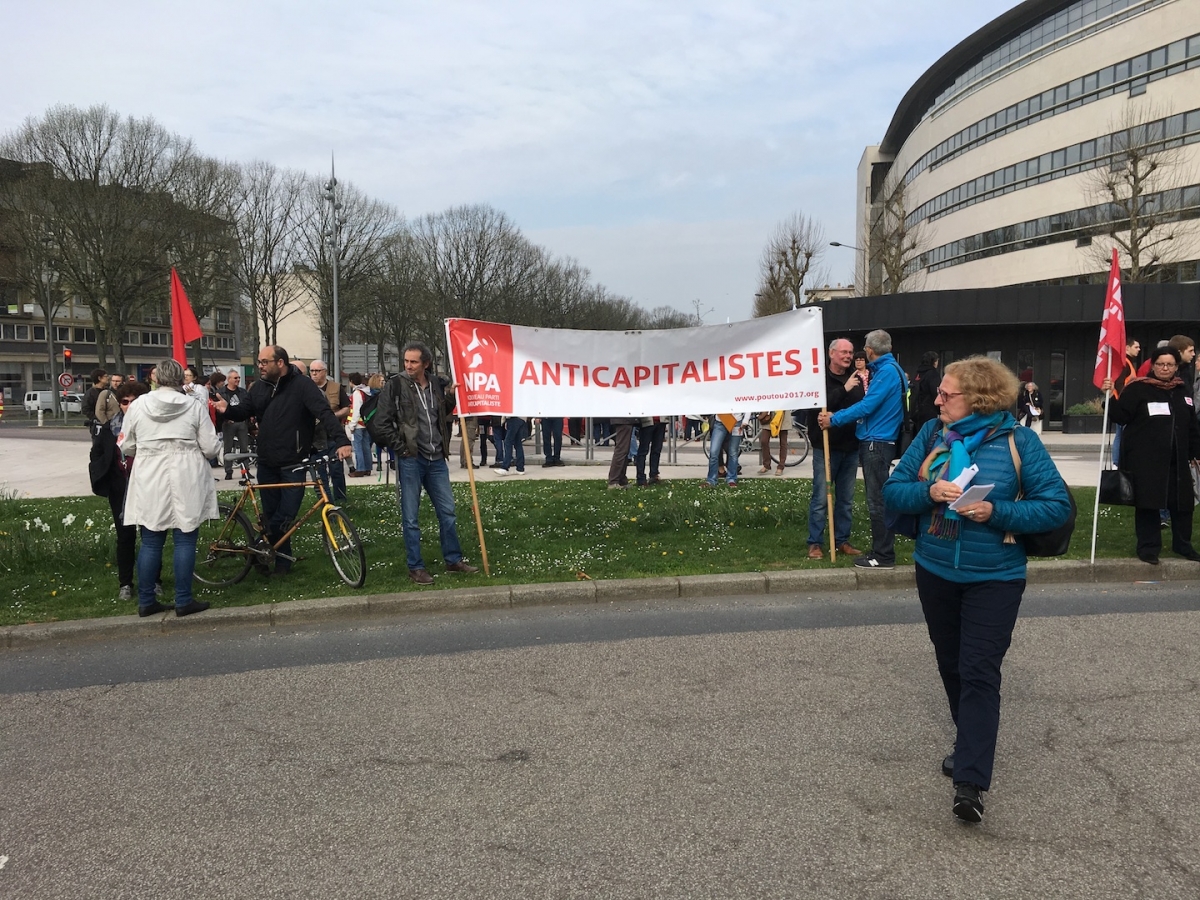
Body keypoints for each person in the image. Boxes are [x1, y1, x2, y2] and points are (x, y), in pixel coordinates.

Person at [883, 356, 1071, 824]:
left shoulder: (1019, 441)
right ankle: (968, 740)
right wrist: (929, 493)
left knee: (979, 671)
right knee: (951, 665)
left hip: (996, 576)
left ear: (980, 399)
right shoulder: (930, 436)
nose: (937, 399)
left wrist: (997, 511)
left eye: (948, 394)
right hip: (935, 569)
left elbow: (1056, 506)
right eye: (939, 393)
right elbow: (893, 490)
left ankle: (969, 781)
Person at [216, 346, 352, 575]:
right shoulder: (258, 387)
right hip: (267, 461)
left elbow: (324, 413)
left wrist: (341, 440)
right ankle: (279, 561)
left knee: (286, 514)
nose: (259, 365)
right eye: (259, 361)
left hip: (294, 461)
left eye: (264, 362)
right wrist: (227, 410)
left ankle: (260, 545)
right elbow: (245, 411)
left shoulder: (303, 386)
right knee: (271, 514)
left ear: (280, 363)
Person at [117, 358, 224, 618]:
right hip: (185, 470)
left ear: (155, 379)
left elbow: (126, 443)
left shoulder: (138, 406)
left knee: (151, 540)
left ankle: (146, 600)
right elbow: (210, 446)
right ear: (180, 380)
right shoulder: (193, 406)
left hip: (150, 472)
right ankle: (183, 599)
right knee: (185, 537)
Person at [375, 341, 480, 585]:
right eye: (406, 361)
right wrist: (401, 448)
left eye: (413, 362)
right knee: (411, 516)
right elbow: (382, 423)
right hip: (412, 459)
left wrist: (452, 398)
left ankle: (453, 560)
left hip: (436, 459)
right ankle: (416, 566)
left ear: (426, 364)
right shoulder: (396, 385)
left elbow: (441, 415)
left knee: (448, 511)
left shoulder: (434, 384)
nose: (408, 366)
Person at [818, 329, 907, 569]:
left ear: (869, 350)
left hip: (876, 443)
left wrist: (834, 418)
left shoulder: (885, 372)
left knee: (877, 501)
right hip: (880, 441)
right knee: (878, 499)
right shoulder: (893, 370)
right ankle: (881, 551)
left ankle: (883, 555)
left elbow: (867, 406)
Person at [1103, 346, 1200, 564]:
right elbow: (1121, 416)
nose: (1165, 368)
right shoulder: (1139, 389)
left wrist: (1196, 452)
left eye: (1170, 365)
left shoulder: (1182, 390)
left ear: (1176, 367)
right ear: (1153, 366)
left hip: (1177, 462)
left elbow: (1192, 425)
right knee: (1148, 504)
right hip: (1146, 462)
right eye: (1160, 364)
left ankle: (1183, 545)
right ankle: (1148, 548)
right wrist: (1108, 396)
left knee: (1182, 505)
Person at [89, 380, 159, 602]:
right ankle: (126, 583)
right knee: (125, 536)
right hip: (120, 488)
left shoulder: (152, 427)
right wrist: (104, 475)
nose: (129, 405)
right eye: (124, 402)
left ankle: (154, 581)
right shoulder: (110, 428)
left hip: (147, 485)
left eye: (134, 401)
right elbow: (97, 454)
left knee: (151, 535)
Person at [807, 338, 865, 559]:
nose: (848, 356)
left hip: (851, 446)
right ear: (832, 353)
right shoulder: (819, 379)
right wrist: (844, 389)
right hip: (826, 446)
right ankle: (815, 542)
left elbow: (861, 406)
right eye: (844, 352)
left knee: (846, 499)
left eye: (850, 352)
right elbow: (816, 409)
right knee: (821, 497)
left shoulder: (859, 378)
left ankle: (842, 540)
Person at [308, 360, 350, 500]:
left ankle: (340, 498)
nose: (314, 374)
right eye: (312, 371)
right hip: (315, 438)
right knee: (319, 472)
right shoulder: (306, 388)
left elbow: (346, 408)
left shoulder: (336, 388)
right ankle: (326, 501)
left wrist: (332, 417)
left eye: (317, 371)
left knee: (336, 469)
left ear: (324, 372)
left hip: (333, 435)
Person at [1111, 339, 1140, 467]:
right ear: (1127, 348)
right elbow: (1119, 384)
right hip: (1123, 404)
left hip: (1122, 402)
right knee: (1121, 434)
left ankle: (1117, 461)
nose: (1139, 349)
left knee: (1120, 434)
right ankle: (1117, 461)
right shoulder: (1125, 363)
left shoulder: (1128, 363)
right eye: (1136, 347)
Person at [218, 369, 252, 480]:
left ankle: (245, 470)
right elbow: (218, 409)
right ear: (229, 379)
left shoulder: (243, 392)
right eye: (235, 378)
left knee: (244, 447)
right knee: (228, 448)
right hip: (228, 424)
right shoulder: (222, 393)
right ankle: (228, 471)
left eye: (238, 378)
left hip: (241, 423)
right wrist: (226, 418)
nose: (238, 380)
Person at [704, 414, 746, 487]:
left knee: (733, 453)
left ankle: (731, 479)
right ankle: (711, 480)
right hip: (720, 421)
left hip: (737, 422)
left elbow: (748, 404)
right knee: (714, 451)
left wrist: (745, 420)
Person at [346, 372, 374, 477]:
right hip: (366, 423)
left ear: (351, 382)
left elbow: (356, 410)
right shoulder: (367, 391)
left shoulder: (357, 393)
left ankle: (360, 469)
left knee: (358, 447)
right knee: (366, 446)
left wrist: (352, 425)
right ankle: (368, 468)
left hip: (358, 424)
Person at [911, 351, 941, 428]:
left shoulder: (917, 373)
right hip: (929, 411)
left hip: (915, 411)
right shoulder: (933, 374)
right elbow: (936, 392)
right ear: (934, 362)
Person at [756, 411, 789, 476]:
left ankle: (781, 466)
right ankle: (766, 465)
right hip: (769, 413)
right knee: (764, 441)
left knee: (783, 442)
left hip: (783, 413)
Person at [635, 417, 666, 485]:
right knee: (643, 451)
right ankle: (641, 478)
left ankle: (654, 475)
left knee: (656, 450)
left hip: (661, 421)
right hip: (647, 421)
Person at [606, 417, 636, 489]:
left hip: (624, 419)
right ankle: (614, 481)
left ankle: (621, 479)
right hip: (624, 419)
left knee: (624, 450)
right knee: (621, 450)